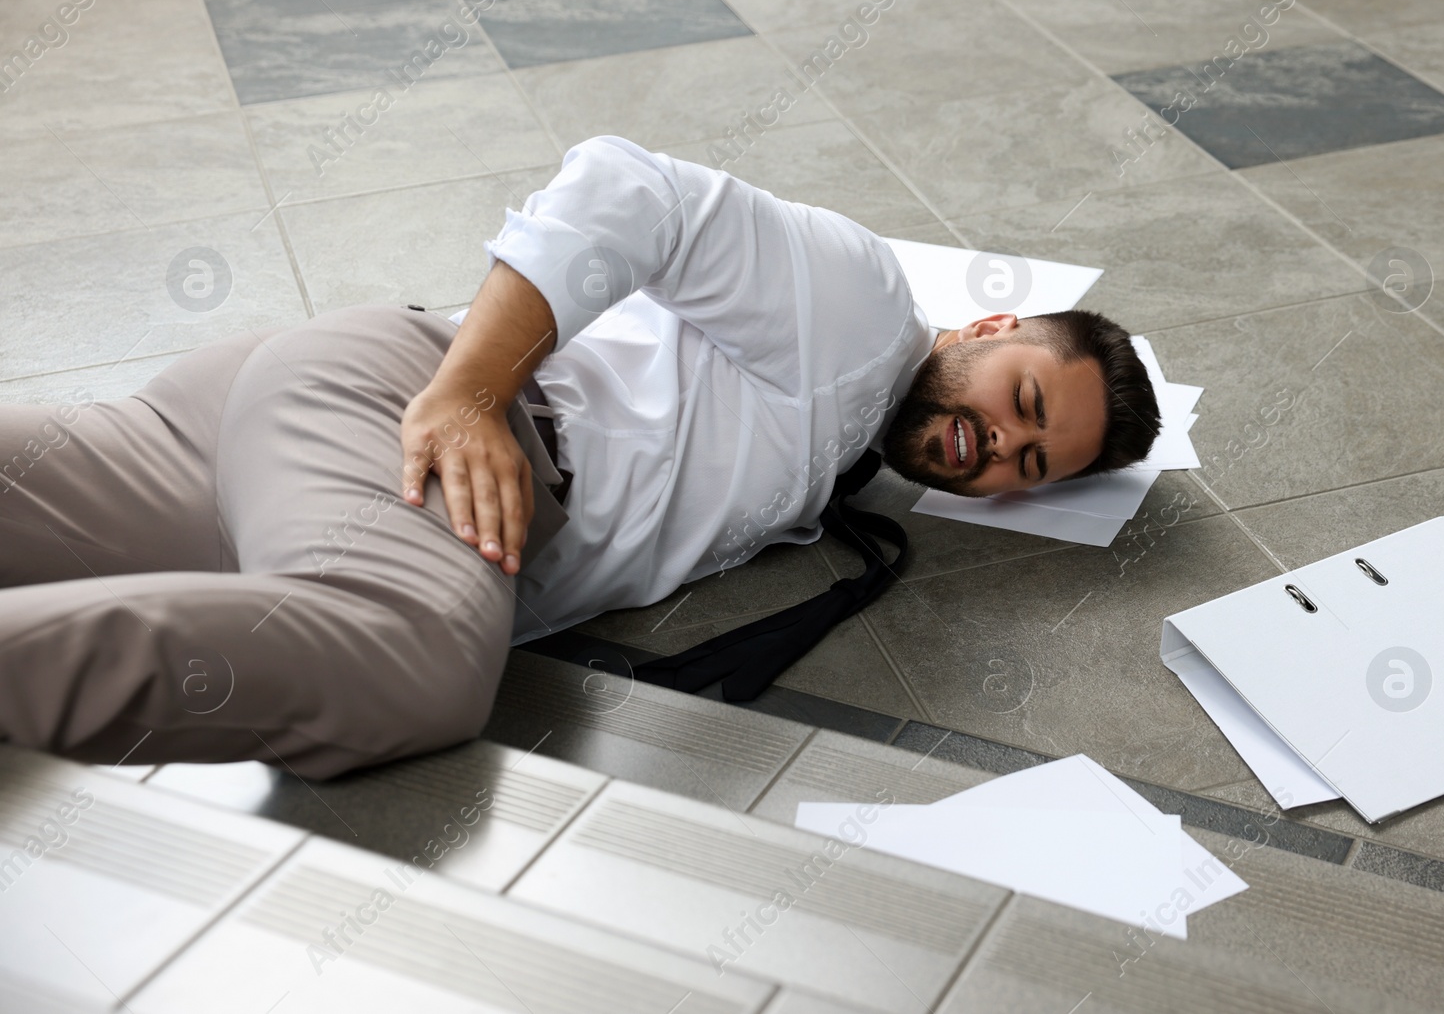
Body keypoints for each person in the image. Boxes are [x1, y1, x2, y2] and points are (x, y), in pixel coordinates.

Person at [0, 136, 1159, 779]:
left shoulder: (846, 445)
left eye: (1028, 462)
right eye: (1018, 402)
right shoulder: (861, 309)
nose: (997, 443)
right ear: (986, 330)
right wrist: (466, 396)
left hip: (283, 439)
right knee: (412, 663)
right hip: (422, 430)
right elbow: (627, 186)